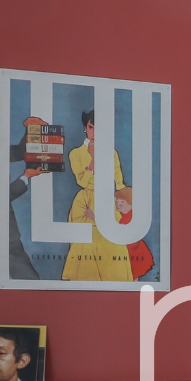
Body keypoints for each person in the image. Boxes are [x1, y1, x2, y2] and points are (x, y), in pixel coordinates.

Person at [62, 109, 136, 282]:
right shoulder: (76, 153)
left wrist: (128, 201)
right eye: (91, 127)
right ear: (85, 128)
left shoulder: (112, 153)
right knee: (85, 245)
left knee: (112, 244)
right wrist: (93, 159)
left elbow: (119, 183)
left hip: (107, 201)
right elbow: (82, 181)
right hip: (85, 201)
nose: (94, 132)